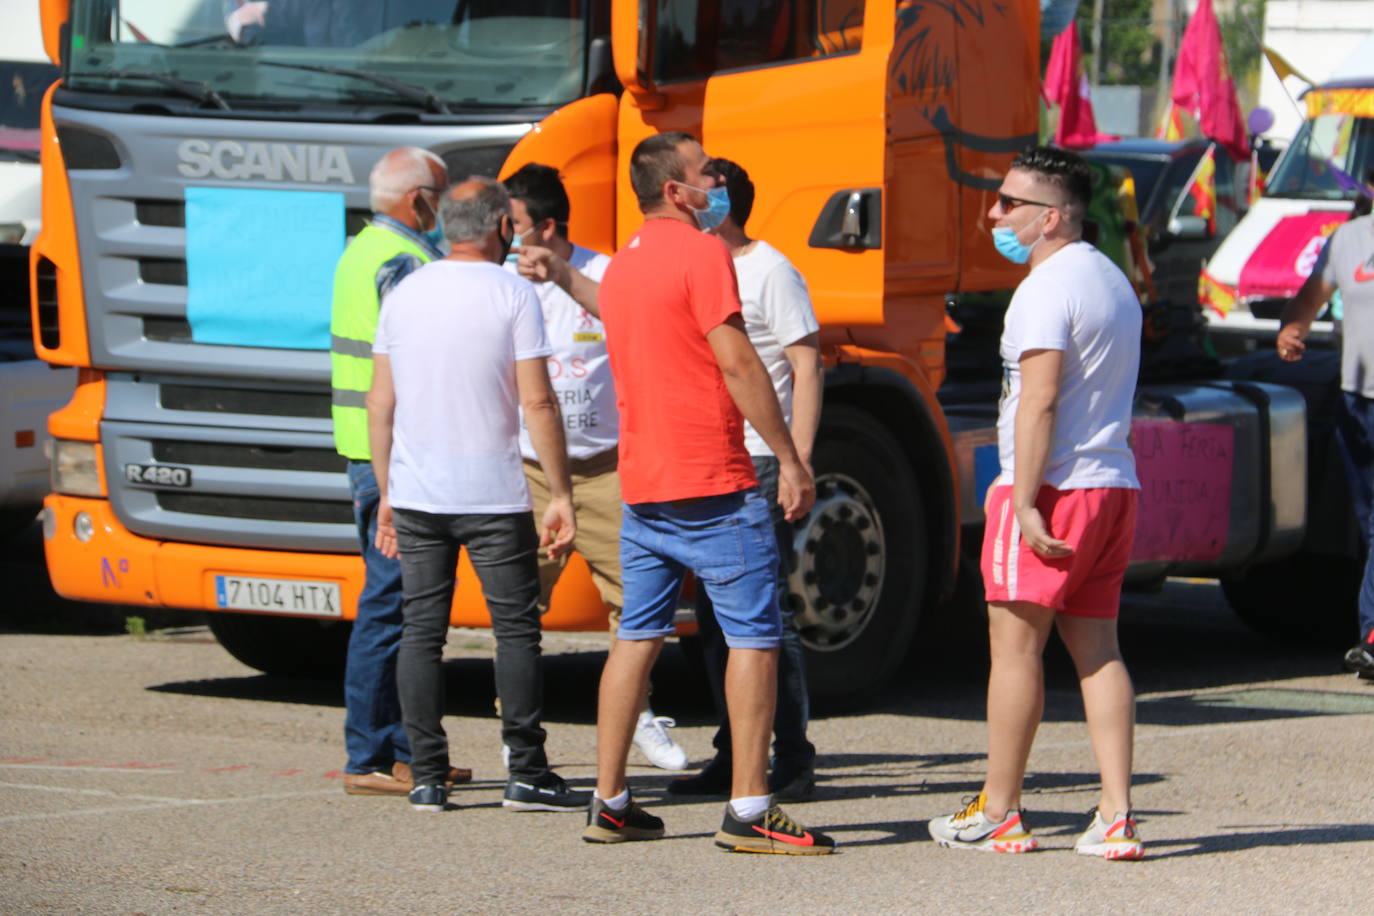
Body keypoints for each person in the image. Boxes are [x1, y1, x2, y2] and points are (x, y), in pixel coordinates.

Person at [580, 131, 835, 855]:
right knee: (755, 639)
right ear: (674, 190)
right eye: (704, 173)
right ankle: (751, 807)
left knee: (636, 636)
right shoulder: (703, 252)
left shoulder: (622, 266)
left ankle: (611, 801)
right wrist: (789, 455)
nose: (714, 180)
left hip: (645, 486)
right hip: (715, 482)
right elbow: (738, 362)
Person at [928, 146, 1145, 860]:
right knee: (1099, 652)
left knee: (1014, 652)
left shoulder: (1045, 289)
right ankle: (1116, 815)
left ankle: (1002, 810)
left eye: (1009, 202)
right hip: (1112, 483)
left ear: (1051, 216)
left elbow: (1040, 400)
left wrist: (1022, 501)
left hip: (1053, 488)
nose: (995, 213)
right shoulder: (1112, 280)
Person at [366, 176, 591, 814]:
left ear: (444, 227)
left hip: (416, 491)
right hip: (492, 491)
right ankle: (526, 770)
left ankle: (427, 776)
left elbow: (380, 402)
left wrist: (386, 490)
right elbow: (538, 401)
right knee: (515, 630)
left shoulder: (404, 292)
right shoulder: (513, 292)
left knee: (421, 632)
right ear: (500, 228)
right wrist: (561, 493)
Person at [502, 163, 687, 770]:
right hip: (529, 472)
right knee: (518, 603)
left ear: (548, 227)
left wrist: (564, 277)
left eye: (518, 226)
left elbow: (638, 325)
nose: (508, 238)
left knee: (637, 604)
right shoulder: (502, 282)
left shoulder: (605, 272)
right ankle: (520, 739)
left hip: (607, 469)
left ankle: (639, 717)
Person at [670, 157, 821, 801]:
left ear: (723, 198)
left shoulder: (771, 270)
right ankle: (736, 751)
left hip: (762, 459)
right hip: (710, 459)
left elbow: (807, 369)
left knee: (765, 619)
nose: (681, 199)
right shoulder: (698, 265)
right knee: (711, 614)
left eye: (695, 190)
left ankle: (790, 756)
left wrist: (799, 462)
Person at [329, 146, 470, 797]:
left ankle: (409, 748)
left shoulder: (360, 249)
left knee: (403, 607)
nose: (445, 211)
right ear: (420, 201)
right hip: (395, 460)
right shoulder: (404, 262)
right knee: (392, 608)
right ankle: (373, 756)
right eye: (441, 197)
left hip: (371, 452)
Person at [1276, 186, 1374, 682]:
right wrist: (1294, 327)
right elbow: (1312, 296)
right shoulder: (1349, 239)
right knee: (1371, 523)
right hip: (1359, 400)